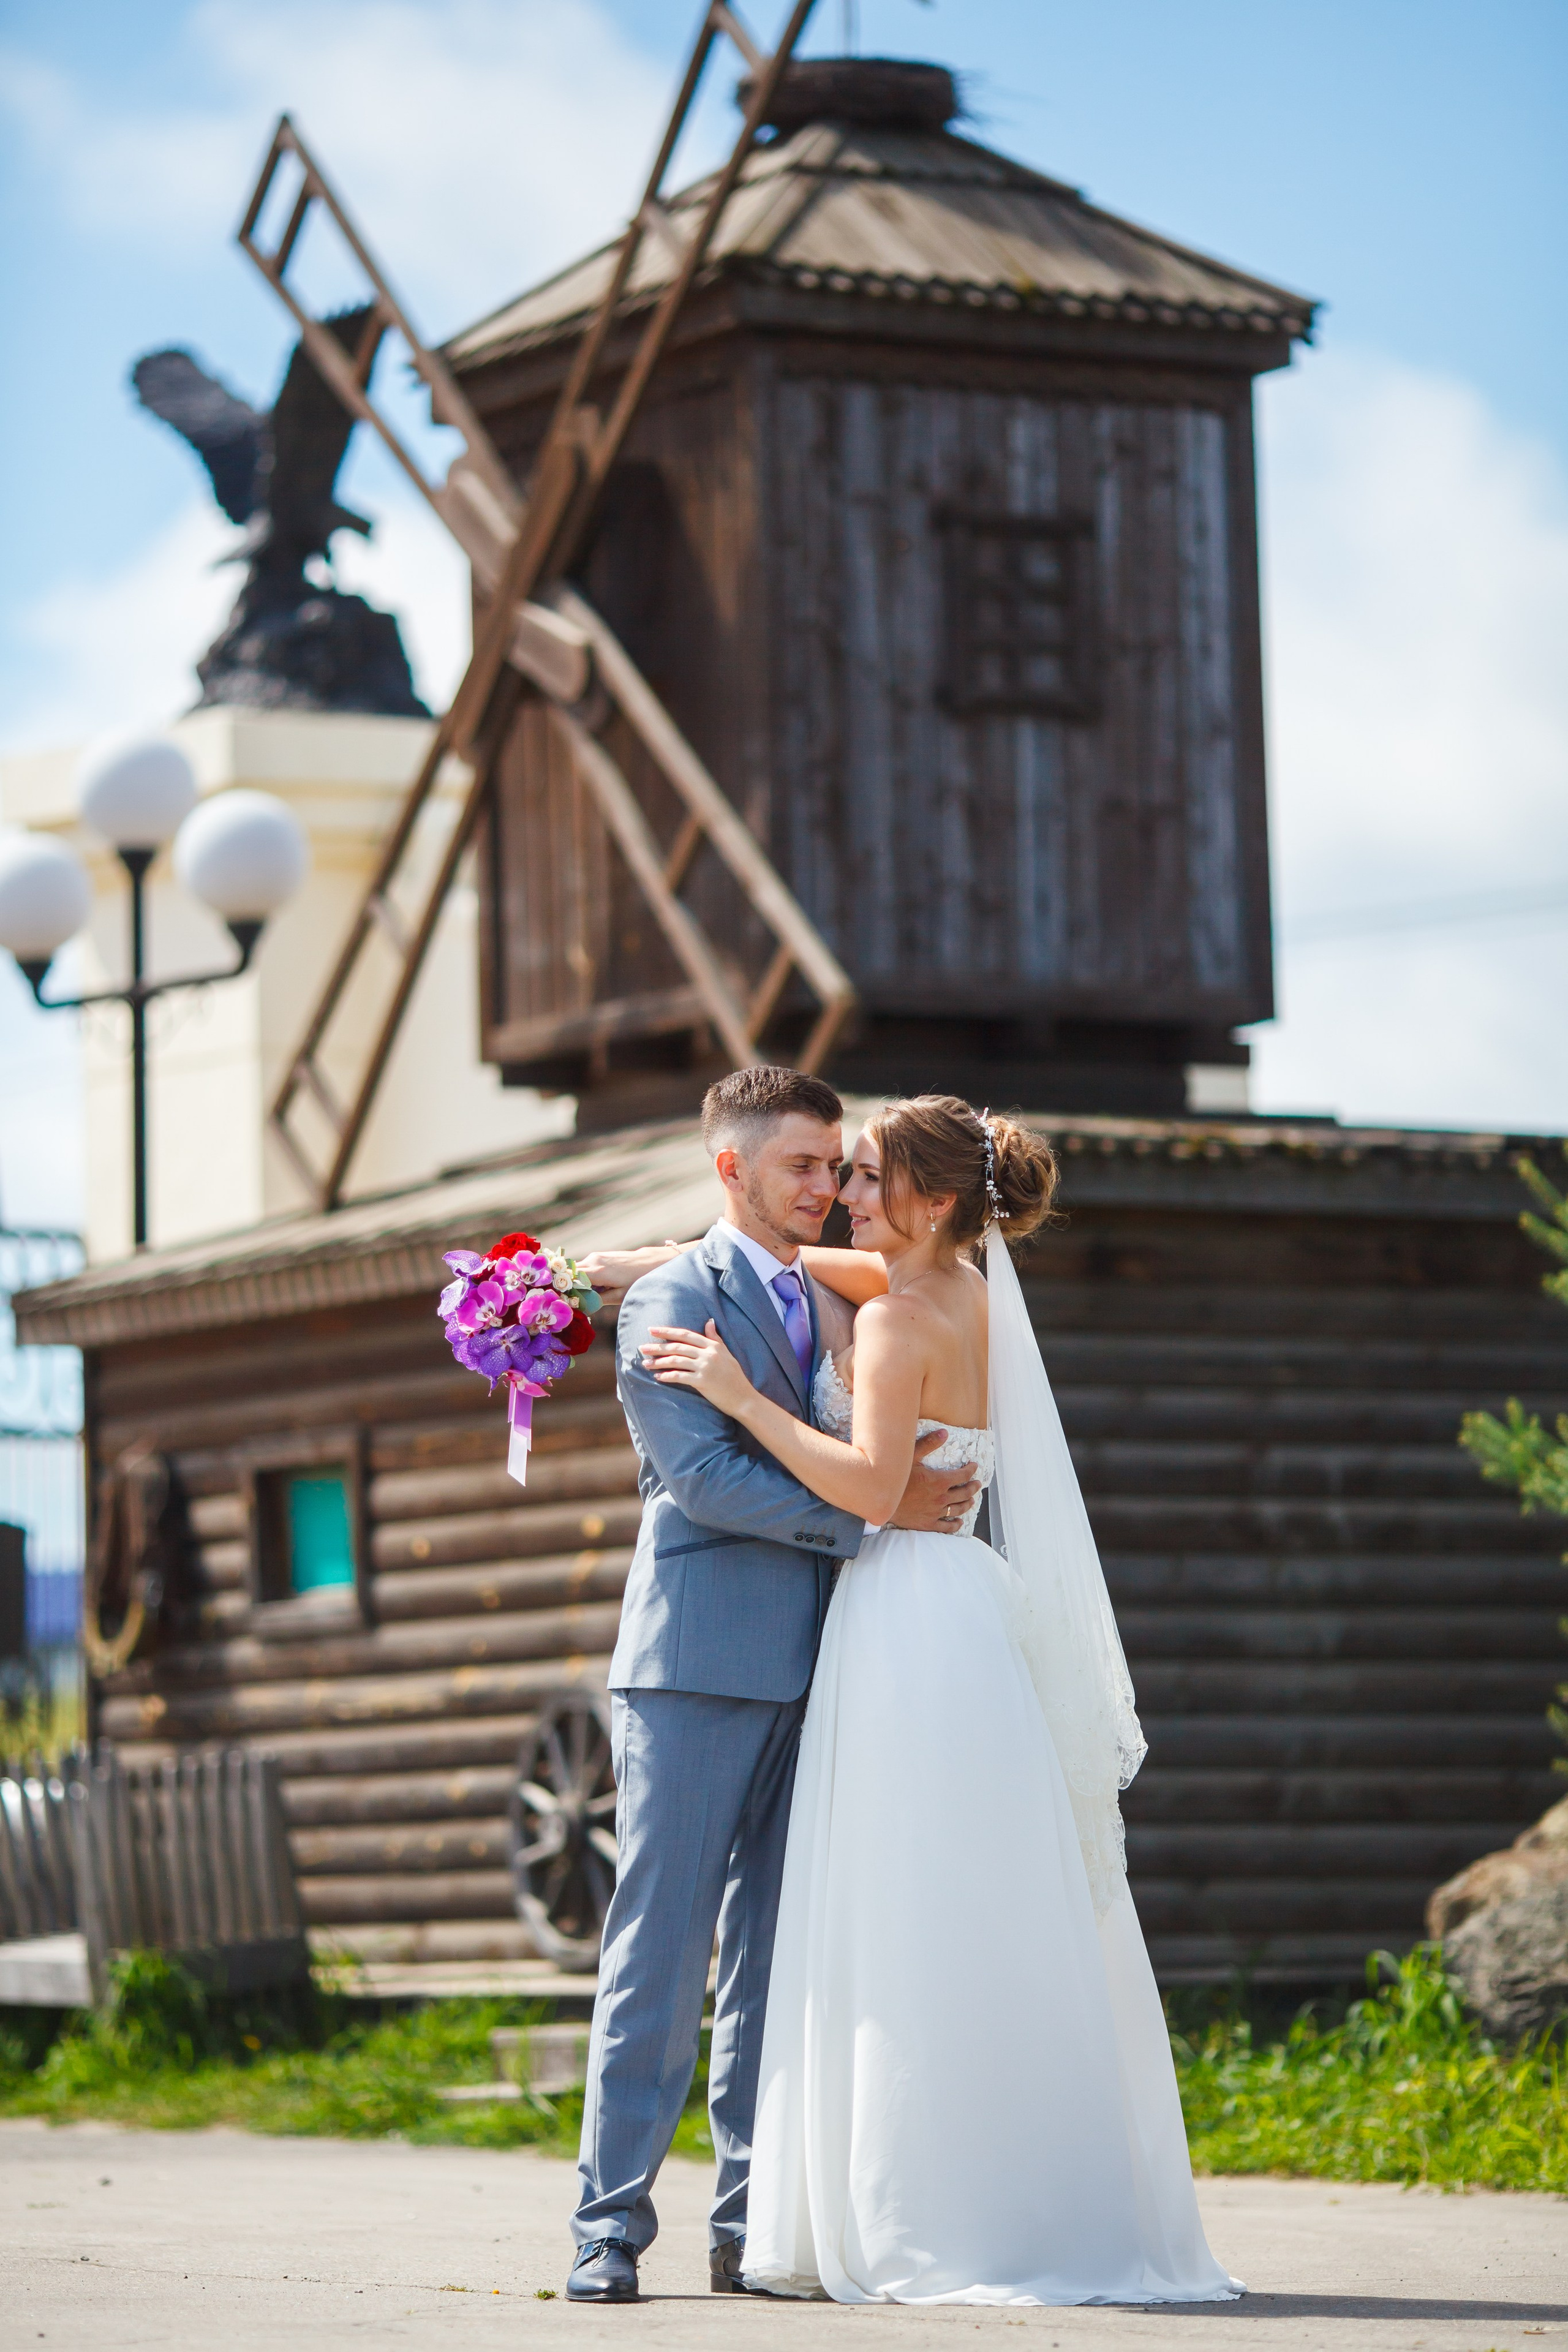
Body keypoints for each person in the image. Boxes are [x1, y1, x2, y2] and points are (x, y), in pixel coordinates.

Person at [636, 1093, 1242, 2307]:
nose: (842, 1194)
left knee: (898, 1894)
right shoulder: (959, 1290)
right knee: (976, 1890)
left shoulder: (905, 1318)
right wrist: (640, 1266)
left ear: (919, 1197)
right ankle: (1013, 2183)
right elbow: (804, 1260)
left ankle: (917, 2204)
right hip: (969, 1610)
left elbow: (867, 1488)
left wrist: (734, 1392)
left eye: (862, 1176)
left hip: (903, 1607)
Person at [564, 1068, 983, 2304]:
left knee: (775, 1955)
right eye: (802, 1166)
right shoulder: (663, 1306)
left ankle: (747, 2224)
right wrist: (873, 1520)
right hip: (695, 1665)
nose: (827, 1187)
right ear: (730, 1168)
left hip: (837, 1670)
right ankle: (608, 2225)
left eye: (836, 1164)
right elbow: (704, 1483)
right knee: (661, 1945)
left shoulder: (835, 1284)